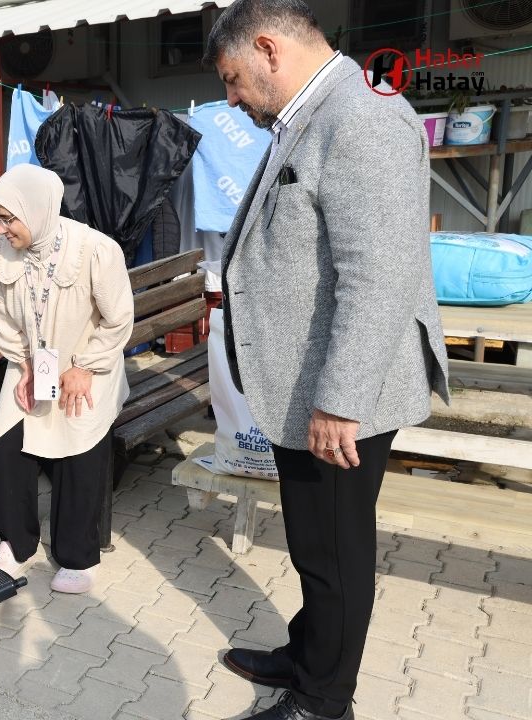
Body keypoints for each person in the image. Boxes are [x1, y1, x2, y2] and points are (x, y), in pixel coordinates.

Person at [205, 2, 449, 718]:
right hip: (310, 382)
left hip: (344, 393)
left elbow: (378, 273)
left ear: (269, 49)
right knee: (317, 543)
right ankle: (308, 655)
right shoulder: (318, 112)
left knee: (335, 552)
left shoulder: (363, 117)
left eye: (233, 79)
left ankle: (323, 700)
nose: (232, 99)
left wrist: (339, 400)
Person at [0, 164, 134, 595]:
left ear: (39, 209)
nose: (2, 227)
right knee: (7, 438)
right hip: (37, 360)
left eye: (10, 218)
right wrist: (25, 363)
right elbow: (3, 318)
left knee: (76, 445)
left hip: (88, 365)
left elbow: (119, 318)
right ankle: (16, 542)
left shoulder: (93, 249)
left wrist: (85, 366)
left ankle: (78, 557)